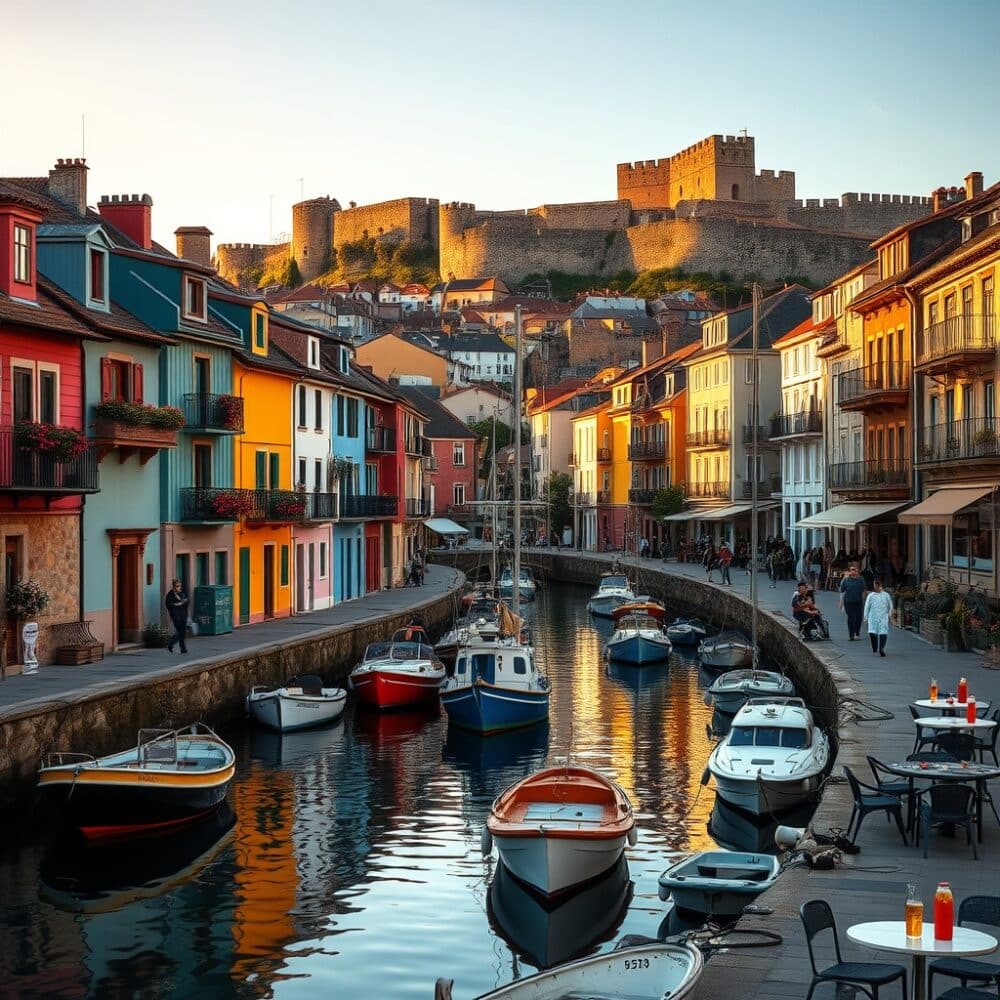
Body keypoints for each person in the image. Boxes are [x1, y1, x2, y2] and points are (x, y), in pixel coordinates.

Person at [863, 578, 893, 656]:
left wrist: (889, 615)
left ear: (881, 586)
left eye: (878, 585)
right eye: (875, 585)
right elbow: (867, 606)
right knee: (872, 632)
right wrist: (865, 617)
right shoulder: (871, 596)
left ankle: (881, 648)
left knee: (883, 632)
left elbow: (890, 606)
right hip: (873, 616)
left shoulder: (886, 595)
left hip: (883, 616)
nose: (877, 587)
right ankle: (875, 647)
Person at [838, 563, 867, 640]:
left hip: (859, 602)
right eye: (852, 570)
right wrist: (841, 602)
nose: (854, 571)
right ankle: (851, 635)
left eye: (855, 570)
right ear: (850, 571)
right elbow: (842, 590)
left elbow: (864, 590)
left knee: (858, 618)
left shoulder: (861, 579)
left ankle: (857, 633)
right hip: (848, 602)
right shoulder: (846, 580)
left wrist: (863, 601)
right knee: (851, 618)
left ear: (858, 571)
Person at [165, 578, 189, 654]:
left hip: (183, 615)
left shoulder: (182, 593)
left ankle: (181, 648)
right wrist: (177, 605)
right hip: (176, 616)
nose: (179, 587)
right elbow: (168, 605)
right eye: (177, 586)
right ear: (173, 587)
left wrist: (183, 602)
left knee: (183, 632)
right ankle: (172, 644)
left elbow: (187, 601)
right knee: (180, 632)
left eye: (179, 586)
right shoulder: (170, 595)